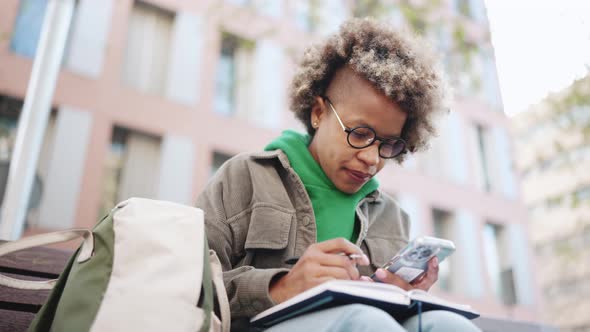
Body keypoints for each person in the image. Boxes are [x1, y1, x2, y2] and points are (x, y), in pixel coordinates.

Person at [197, 18, 480, 331]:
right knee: (366, 322)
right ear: (318, 113)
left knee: (447, 325)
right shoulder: (244, 178)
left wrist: (403, 296)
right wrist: (281, 286)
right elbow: (192, 287)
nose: (372, 158)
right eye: (359, 134)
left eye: (388, 144)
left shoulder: (391, 217)